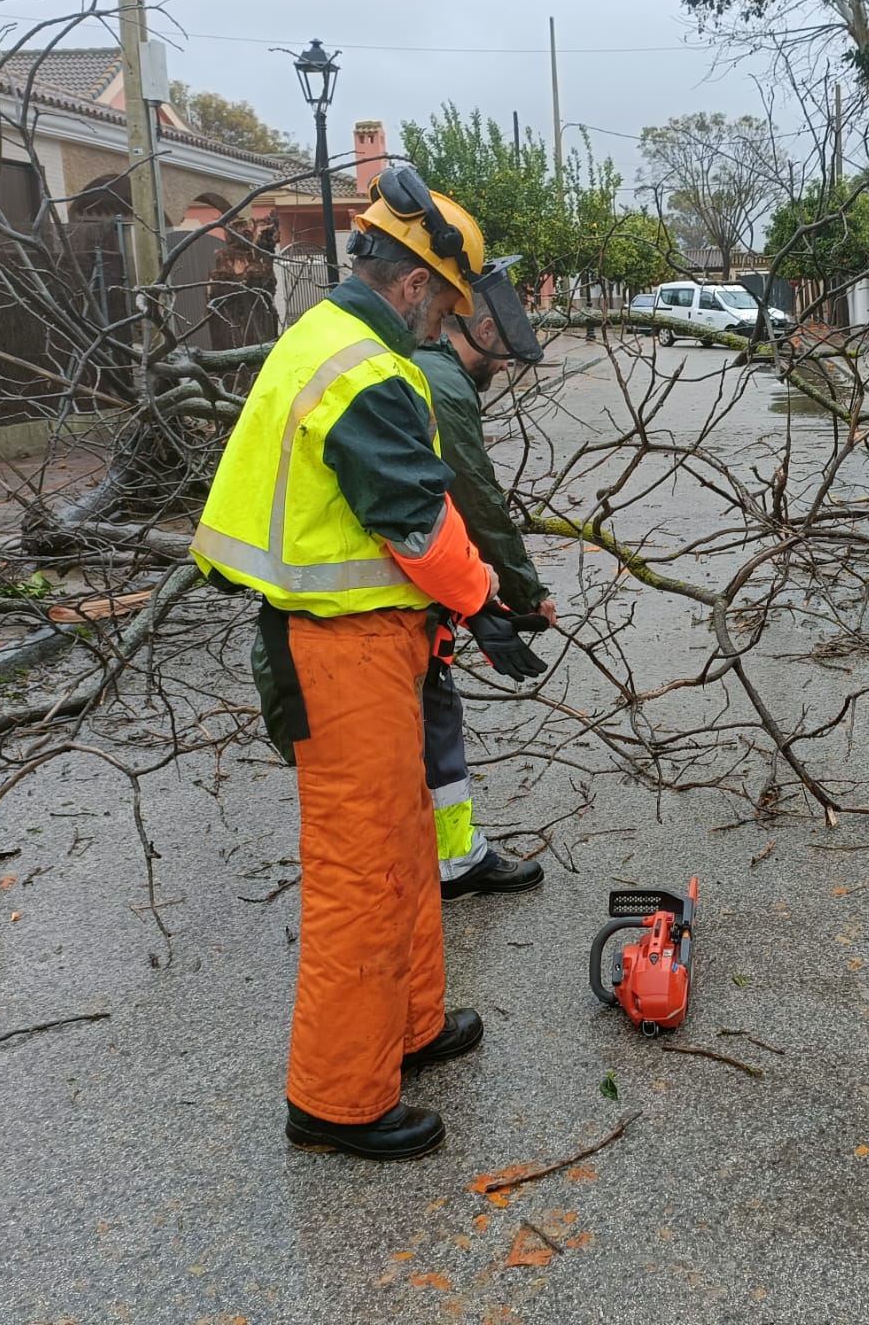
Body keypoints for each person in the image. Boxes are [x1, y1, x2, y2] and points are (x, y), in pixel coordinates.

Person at [191, 166, 547, 1161]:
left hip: (371, 642)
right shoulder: (356, 366)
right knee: (357, 870)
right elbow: (416, 520)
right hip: (333, 649)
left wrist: (460, 609)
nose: (445, 323)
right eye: (443, 303)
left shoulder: (351, 349)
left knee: (400, 845)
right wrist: (486, 608)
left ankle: (409, 1026)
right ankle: (336, 1099)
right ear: (409, 285)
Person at [412, 255, 556, 901]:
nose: (503, 368)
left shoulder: (431, 372)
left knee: (432, 716)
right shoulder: (441, 385)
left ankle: (449, 856)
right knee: (424, 721)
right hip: (381, 606)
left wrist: (478, 602)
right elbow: (474, 499)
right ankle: (443, 862)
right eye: (505, 354)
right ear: (487, 331)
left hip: (407, 593)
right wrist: (523, 594)